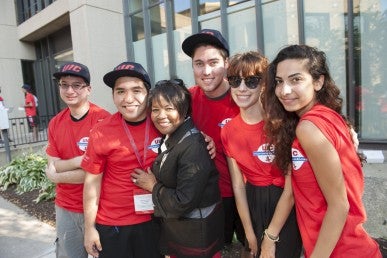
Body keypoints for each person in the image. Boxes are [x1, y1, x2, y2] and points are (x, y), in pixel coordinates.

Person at [263, 44, 382, 257]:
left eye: (296, 79)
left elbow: (339, 205)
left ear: (318, 81)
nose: (284, 90)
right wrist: (269, 238)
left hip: (343, 251)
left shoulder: (309, 128)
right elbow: (292, 190)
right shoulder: (321, 120)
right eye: (279, 82)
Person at [221, 51, 302, 258]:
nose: (241, 88)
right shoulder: (228, 130)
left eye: (251, 81)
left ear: (264, 85)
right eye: (235, 80)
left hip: (284, 206)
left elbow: (291, 188)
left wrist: (271, 237)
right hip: (251, 203)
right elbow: (238, 185)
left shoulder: (283, 125)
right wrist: (248, 232)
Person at [131, 79, 224, 258]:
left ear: (184, 109)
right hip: (181, 235)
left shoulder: (193, 146)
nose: (161, 115)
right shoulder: (172, 137)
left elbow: (183, 200)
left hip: (195, 241)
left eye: (169, 108)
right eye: (156, 110)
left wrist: (152, 186)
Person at [81, 62, 163, 258]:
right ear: (113, 96)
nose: (128, 99)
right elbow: (92, 183)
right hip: (113, 224)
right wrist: (89, 228)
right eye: (120, 91)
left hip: (154, 220)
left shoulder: (162, 122)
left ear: (148, 93)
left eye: (136, 90)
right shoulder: (101, 131)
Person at [181, 29, 245, 249]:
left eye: (213, 62)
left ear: (226, 63)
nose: (206, 71)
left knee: (254, 249)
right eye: (199, 63)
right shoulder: (186, 100)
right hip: (211, 198)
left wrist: (343, 125)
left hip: (250, 193)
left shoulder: (245, 95)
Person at [45, 61, 111, 258]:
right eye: (64, 84)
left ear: (88, 89)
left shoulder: (103, 120)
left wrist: (57, 176)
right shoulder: (55, 123)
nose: (70, 90)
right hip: (65, 207)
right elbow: (52, 164)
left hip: (100, 206)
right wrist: (78, 161)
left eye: (77, 85)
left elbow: (98, 173)